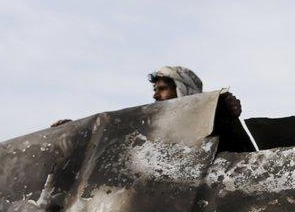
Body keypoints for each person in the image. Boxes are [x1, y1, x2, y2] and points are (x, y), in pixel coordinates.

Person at [52, 65, 254, 151]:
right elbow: (112, 137)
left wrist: (224, 110)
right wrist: (77, 131)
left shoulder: (213, 122)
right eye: (155, 89)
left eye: (163, 89)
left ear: (182, 89)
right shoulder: (149, 128)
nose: (155, 95)